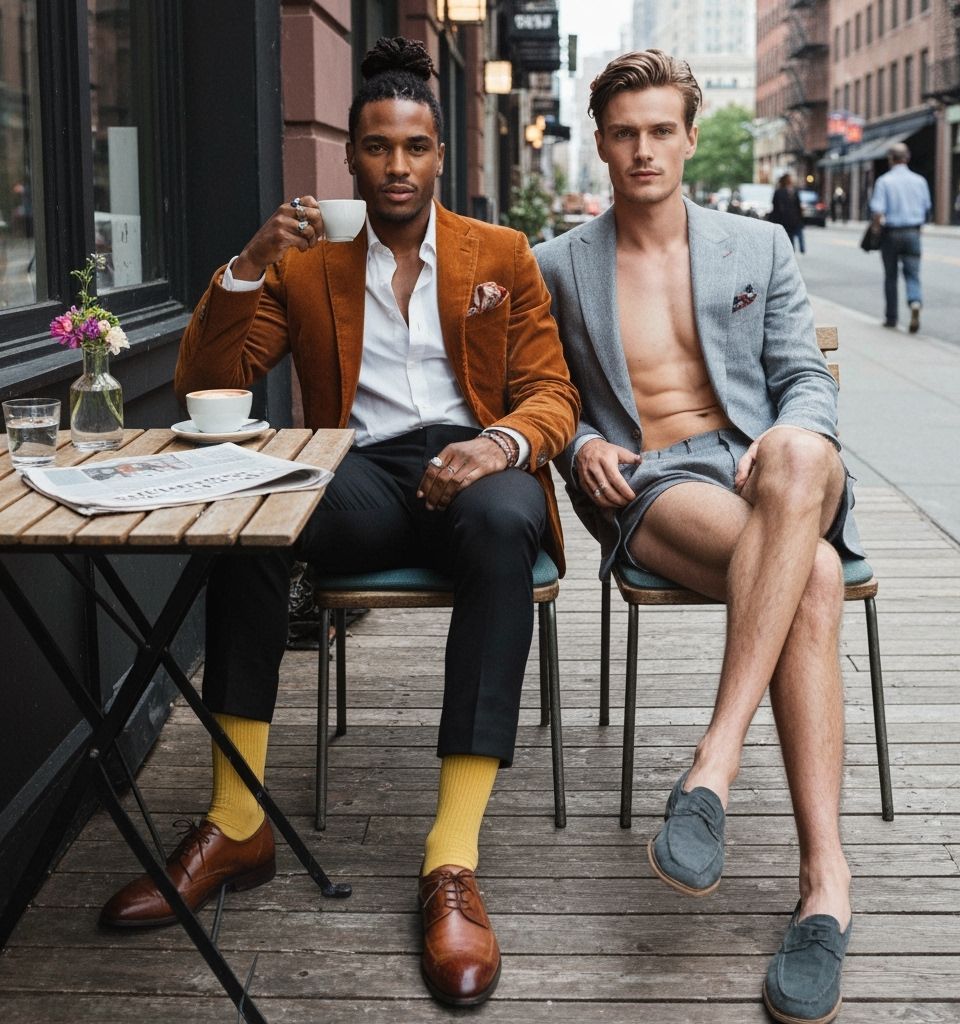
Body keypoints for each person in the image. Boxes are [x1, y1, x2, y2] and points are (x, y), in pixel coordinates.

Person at [98, 37, 579, 1009]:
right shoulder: (309, 264)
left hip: (472, 464)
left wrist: (498, 446)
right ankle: (238, 821)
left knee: (502, 521)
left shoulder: (501, 255)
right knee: (249, 510)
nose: (395, 166)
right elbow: (208, 382)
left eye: (414, 147)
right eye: (376, 148)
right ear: (349, 159)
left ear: (439, 154)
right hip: (355, 473)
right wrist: (246, 264)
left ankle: (451, 860)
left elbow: (551, 394)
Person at [535, 49, 864, 1024]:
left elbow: (805, 374)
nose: (643, 150)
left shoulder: (756, 248)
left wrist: (786, 430)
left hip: (765, 465)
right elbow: (543, 396)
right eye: (624, 132)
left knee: (803, 460)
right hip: (658, 481)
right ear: (600, 142)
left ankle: (711, 764)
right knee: (810, 574)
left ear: (688, 135)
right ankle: (825, 885)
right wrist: (584, 441)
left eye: (660, 130)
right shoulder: (556, 266)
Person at [869, 142, 932, 333]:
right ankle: (914, 302)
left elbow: (878, 211)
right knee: (913, 274)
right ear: (907, 157)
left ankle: (891, 318)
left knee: (891, 277)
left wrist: (875, 231)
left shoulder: (884, 181)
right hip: (913, 231)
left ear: (890, 159)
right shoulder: (919, 181)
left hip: (892, 233)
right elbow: (927, 208)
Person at [770, 172, 805, 252]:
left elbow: (775, 207)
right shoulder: (792, 191)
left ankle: (790, 251)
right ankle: (791, 252)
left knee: (788, 237)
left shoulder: (782, 191)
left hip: (785, 219)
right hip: (790, 219)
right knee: (790, 236)